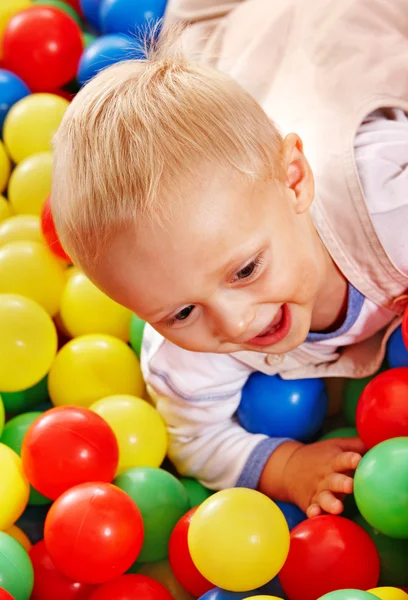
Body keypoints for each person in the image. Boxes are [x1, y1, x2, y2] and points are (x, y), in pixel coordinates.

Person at [51, 0, 408, 517]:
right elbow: (196, 437)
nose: (236, 320)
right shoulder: (184, 354)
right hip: (237, 55)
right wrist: (284, 466)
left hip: (339, 30)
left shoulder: (385, 205)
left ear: (294, 182)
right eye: (181, 313)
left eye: (245, 270)